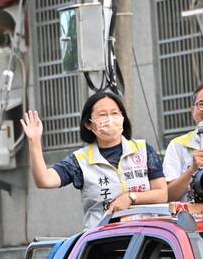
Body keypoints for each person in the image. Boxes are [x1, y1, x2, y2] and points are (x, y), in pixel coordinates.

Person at [21, 91, 168, 228]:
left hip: (145, 238)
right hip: (103, 240)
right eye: (103, 115)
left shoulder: (143, 149)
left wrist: (131, 197)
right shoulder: (80, 160)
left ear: (123, 118)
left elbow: (162, 193)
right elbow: (44, 180)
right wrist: (34, 141)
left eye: (115, 113)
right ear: (88, 124)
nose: (110, 119)